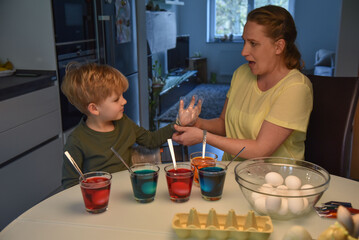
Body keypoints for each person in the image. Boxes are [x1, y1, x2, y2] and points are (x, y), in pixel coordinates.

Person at [172, 5, 313, 162]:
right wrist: (196, 123)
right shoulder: (241, 74)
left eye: (253, 43)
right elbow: (224, 124)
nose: (244, 51)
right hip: (233, 171)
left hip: (277, 181)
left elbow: (261, 150)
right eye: (244, 41)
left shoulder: (296, 88)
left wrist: (203, 137)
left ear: (278, 46)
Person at [61, 62, 201, 189]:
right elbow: (69, 185)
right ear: (94, 109)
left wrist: (178, 123)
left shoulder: (124, 123)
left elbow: (151, 140)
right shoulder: (77, 141)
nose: (124, 101)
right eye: (116, 99)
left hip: (128, 192)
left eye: (122, 95)